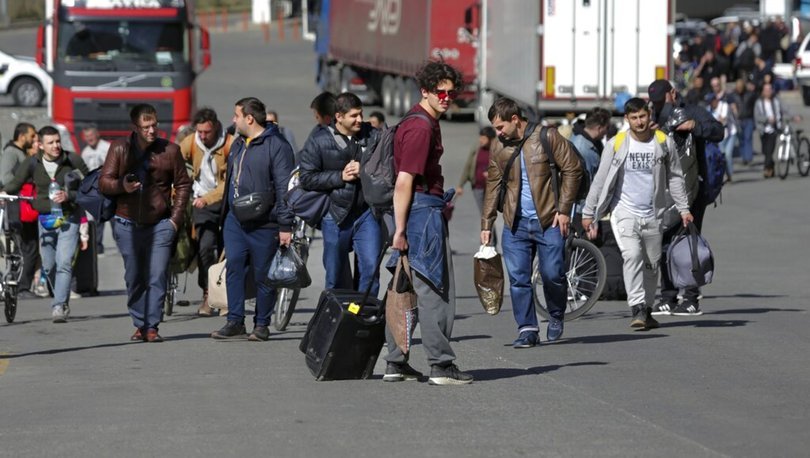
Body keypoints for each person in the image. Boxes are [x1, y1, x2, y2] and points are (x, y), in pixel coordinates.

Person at [382, 61, 473, 385]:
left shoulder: (417, 120)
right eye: (441, 92)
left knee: (403, 289)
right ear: (425, 91)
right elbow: (404, 181)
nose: (447, 97)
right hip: (420, 214)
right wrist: (401, 231)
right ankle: (441, 365)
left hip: (415, 213)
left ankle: (396, 362)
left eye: (451, 92)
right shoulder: (421, 127)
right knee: (435, 291)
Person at [581, 98, 693, 329]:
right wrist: (588, 212)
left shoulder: (663, 142)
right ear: (627, 119)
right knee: (632, 255)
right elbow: (600, 181)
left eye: (642, 116)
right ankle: (637, 307)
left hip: (654, 213)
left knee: (652, 264)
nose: (639, 122)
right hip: (624, 211)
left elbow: (675, 177)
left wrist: (683, 208)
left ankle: (647, 309)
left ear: (648, 115)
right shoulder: (617, 143)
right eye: (634, 118)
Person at [481, 97, 583, 348]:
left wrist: (564, 209)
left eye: (500, 126)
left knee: (552, 274)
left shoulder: (546, 137)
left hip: (549, 221)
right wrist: (486, 224)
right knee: (518, 279)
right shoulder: (499, 146)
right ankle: (527, 329)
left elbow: (573, 168)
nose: (498, 132)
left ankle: (556, 314)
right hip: (515, 224)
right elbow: (493, 185)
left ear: (515, 120)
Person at [99, 104, 192, 342]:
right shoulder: (120, 148)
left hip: (160, 224)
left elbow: (183, 184)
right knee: (135, 276)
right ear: (135, 128)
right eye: (146, 127)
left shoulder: (170, 150)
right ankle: (139, 323)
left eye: (154, 125)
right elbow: (104, 182)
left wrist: (175, 219)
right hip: (127, 223)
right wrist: (122, 186)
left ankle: (152, 326)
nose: (152, 131)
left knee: (157, 274)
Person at [210, 97, 294, 342]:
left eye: (236, 115)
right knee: (234, 266)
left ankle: (261, 324)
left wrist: (285, 224)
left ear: (249, 118)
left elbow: (284, 187)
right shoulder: (237, 144)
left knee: (263, 274)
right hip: (235, 220)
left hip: (264, 222)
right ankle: (235, 320)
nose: (233, 120)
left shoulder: (277, 146)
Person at [647, 78, 723, 316]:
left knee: (688, 242)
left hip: (693, 189)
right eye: (655, 102)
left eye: (662, 100)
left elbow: (718, 131)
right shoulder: (654, 116)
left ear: (672, 93)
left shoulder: (692, 111)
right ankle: (668, 296)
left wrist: (695, 127)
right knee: (665, 242)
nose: (659, 105)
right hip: (664, 191)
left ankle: (691, 298)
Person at [4, 126, 90, 322]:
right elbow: (13, 185)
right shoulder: (32, 163)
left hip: (70, 217)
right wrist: (4, 192)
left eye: (58, 141)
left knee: (64, 262)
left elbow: (91, 185)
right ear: (40, 145)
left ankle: (59, 305)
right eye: (50, 143)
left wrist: (70, 195)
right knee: (49, 266)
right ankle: (61, 295)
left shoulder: (72, 159)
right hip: (45, 219)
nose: (56, 146)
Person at [299, 92, 381, 295]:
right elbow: (307, 178)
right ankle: (336, 320)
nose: (360, 120)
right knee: (335, 277)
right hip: (335, 216)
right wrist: (340, 176)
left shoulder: (373, 136)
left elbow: (388, 165)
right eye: (354, 116)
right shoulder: (318, 141)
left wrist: (363, 168)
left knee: (370, 271)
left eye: (361, 114)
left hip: (366, 214)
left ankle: (363, 315)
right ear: (339, 117)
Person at [179, 107, 233, 317]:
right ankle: (207, 293)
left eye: (206, 132)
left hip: (223, 201)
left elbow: (228, 182)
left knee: (225, 250)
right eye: (199, 131)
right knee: (205, 247)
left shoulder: (228, 144)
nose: (202, 136)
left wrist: (207, 198)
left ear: (216, 127)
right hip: (201, 204)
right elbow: (175, 159)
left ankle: (224, 296)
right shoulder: (192, 142)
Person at [0, 123, 41, 299]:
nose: (34, 140)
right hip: (17, 206)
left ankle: (24, 286)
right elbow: (5, 177)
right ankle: (22, 287)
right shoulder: (11, 153)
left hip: (26, 205)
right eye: (31, 136)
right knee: (24, 246)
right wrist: (24, 179)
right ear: (22, 136)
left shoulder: (21, 153)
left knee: (29, 246)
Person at [79, 124, 112, 253]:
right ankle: (98, 246)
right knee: (98, 218)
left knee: (114, 217)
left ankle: (121, 244)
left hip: (109, 188)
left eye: (91, 135)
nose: (89, 138)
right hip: (96, 191)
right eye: (87, 136)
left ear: (97, 134)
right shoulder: (85, 152)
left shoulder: (107, 147)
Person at [456, 126, 496, 214]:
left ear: (490, 139)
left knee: (490, 213)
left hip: (492, 188)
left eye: (484, 138)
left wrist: (492, 174)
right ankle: (489, 227)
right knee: (484, 213)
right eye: (480, 137)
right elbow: (468, 166)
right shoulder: (476, 148)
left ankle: (490, 227)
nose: (481, 140)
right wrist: (460, 185)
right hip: (477, 187)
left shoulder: (496, 150)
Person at [754, 82, 784, 179]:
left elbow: (784, 109)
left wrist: (794, 116)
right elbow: (757, 116)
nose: (768, 92)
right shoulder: (759, 103)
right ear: (763, 91)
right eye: (766, 90)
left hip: (773, 130)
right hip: (763, 130)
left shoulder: (776, 101)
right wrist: (767, 119)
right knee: (765, 150)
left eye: (769, 90)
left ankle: (766, 169)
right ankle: (771, 166)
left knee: (769, 151)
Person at [706, 92, 736, 182]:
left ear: (716, 100)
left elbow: (723, 121)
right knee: (722, 154)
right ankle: (725, 174)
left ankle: (730, 173)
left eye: (712, 101)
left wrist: (714, 122)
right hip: (720, 136)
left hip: (731, 133)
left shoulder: (724, 106)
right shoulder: (709, 109)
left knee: (728, 153)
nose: (711, 104)